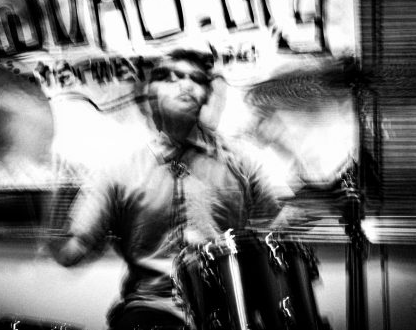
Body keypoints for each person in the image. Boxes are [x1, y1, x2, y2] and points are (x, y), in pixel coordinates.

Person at [46, 48, 294, 330]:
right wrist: (59, 232)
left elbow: (281, 220)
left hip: (229, 303)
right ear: (149, 95)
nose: (185, 85)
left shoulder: (241, 160)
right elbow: (74, 248)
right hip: (151, 306)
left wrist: (290, 155)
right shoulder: (117, 170)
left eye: (196, 79)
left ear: (207, 95)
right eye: (170, 77)